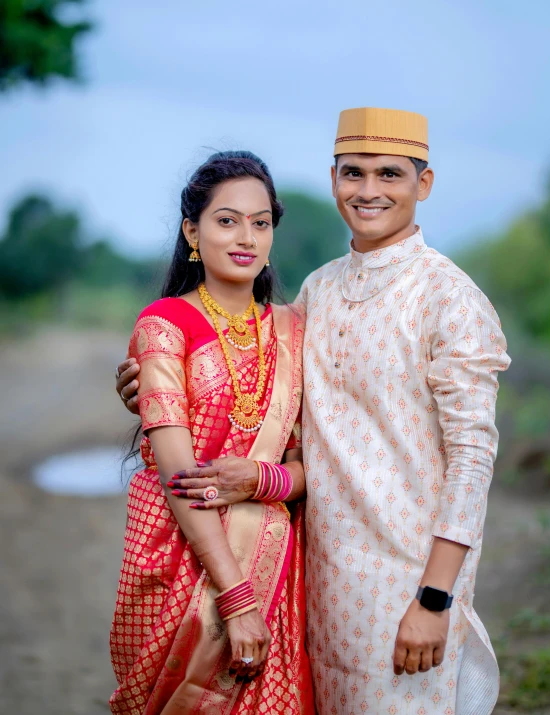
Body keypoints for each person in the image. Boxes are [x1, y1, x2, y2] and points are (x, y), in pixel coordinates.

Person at [118, 108, 510, 715]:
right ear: (333, 181)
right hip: (312, 579)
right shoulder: (318, 295)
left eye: (391, 175)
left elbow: (472, 459)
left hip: (406, 579)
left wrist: (435, 598)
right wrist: (151, 387)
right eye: (354, 173)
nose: (370, 191)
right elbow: (293, 429)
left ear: (423, 185)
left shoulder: (450, 300)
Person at [109, 150, 314, 714]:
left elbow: (317, 468)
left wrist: (262, 480)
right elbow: (177, 476)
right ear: (191, 230)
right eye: (227, 220)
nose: (246, 235)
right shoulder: (163, 326)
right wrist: (235, 596)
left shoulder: (295, 331)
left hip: (272, 558)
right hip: (178, 560)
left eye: (261, 221)